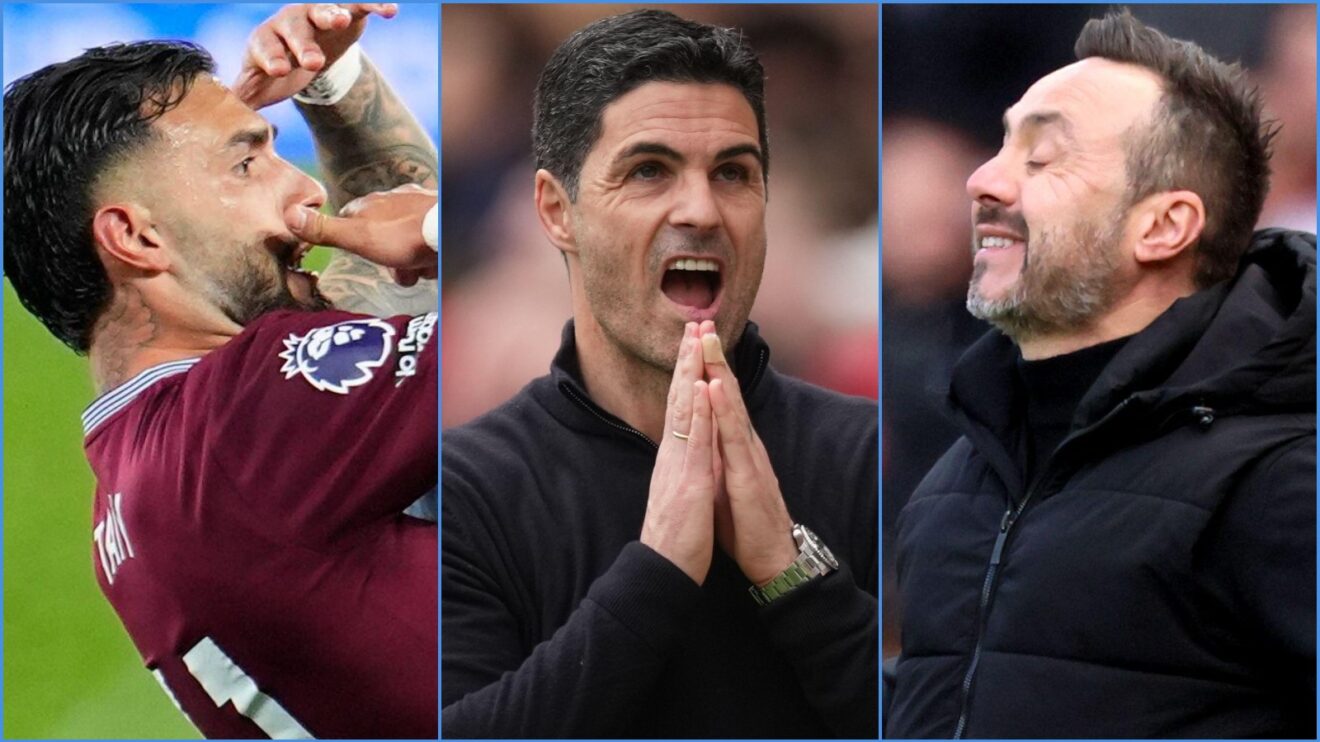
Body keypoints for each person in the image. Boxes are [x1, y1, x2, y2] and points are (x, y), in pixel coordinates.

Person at [3, 4, 438, 738]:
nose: (310, 194)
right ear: (138, 237)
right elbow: (588, 316)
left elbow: (403, 273)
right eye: (246, 164)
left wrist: (331, 84)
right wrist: (438, 226)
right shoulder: (247, 423)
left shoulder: (153, 466)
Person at [440, 9, 878, 738]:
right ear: (557, 211)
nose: (702, 210)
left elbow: (943, 717)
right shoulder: (467, 489)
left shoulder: (866, 454)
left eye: (734, 173)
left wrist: (790, 572)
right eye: (649, 171)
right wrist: (660, 569)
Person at [886, 10, 1315, 738]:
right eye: (1000, 144)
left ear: (1164, 227)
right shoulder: (954, 479)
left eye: (1042, 157)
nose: (982, 180)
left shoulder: (1282, 479)